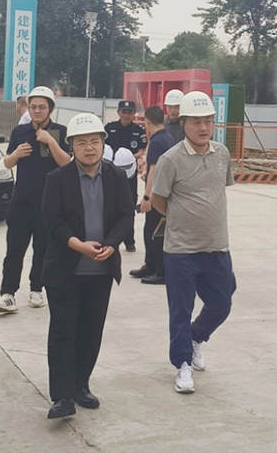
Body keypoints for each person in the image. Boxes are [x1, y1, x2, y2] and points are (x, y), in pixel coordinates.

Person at [41, 113, 135, 419]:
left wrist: (113, 243)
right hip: (65, 270)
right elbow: (52, 221)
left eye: (95, 141)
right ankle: (62, 396)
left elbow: (126, 215)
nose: (89, 148)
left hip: (100, 272)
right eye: (82, 143)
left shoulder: (116, 176)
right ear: (72, 146)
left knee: (91, 332)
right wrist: (78, 245)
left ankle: (81, 385)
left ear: (103, 144)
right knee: (63, 332)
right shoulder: (58, 179)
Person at [150, 91, 236, 395]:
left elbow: (219, 191)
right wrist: (181, 218)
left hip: (217, 246)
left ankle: (196, 337)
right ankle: (183, 364)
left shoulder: (222, 154)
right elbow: (157, 199)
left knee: (222, 302)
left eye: (208, 121)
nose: (203, 128)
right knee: (181, 310)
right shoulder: (170, 159)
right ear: (183, 123)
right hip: (181, 251)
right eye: (197, 122)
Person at [0, 86, 72, 313]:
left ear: (50, 109)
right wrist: (16, 154)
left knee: (43, 250)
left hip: (49, 203)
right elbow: (7, 163)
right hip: (21, 202)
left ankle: (37, 289)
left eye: (42, 107)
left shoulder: (60, 131)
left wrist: (50, 141)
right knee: (14, 250)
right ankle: (8, 294)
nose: (37, 111)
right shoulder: (20, 131)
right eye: (33, 107)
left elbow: (66, 163)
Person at [130, 106, 176, 285]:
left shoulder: (156, 142)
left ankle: (160, 271)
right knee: (153, 230)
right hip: (166, 193)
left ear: (147, 122)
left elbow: (154, 171)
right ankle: (150, 265)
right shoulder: (168, 138)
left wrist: (147, 197)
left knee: (153, 233)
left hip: (157, 194)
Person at [104, 100, 146, 252]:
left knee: (128, 205)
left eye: (129, 112)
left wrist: (129, 158)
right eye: (124, 112)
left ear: (134, 113)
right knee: (109, 205)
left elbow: (142, 150)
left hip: (129, 173)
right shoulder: (109, 128)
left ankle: (129, 240)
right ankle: (110, 239)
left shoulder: (138, 131)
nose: (126, 115)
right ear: (118, 112)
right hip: (110, 172)